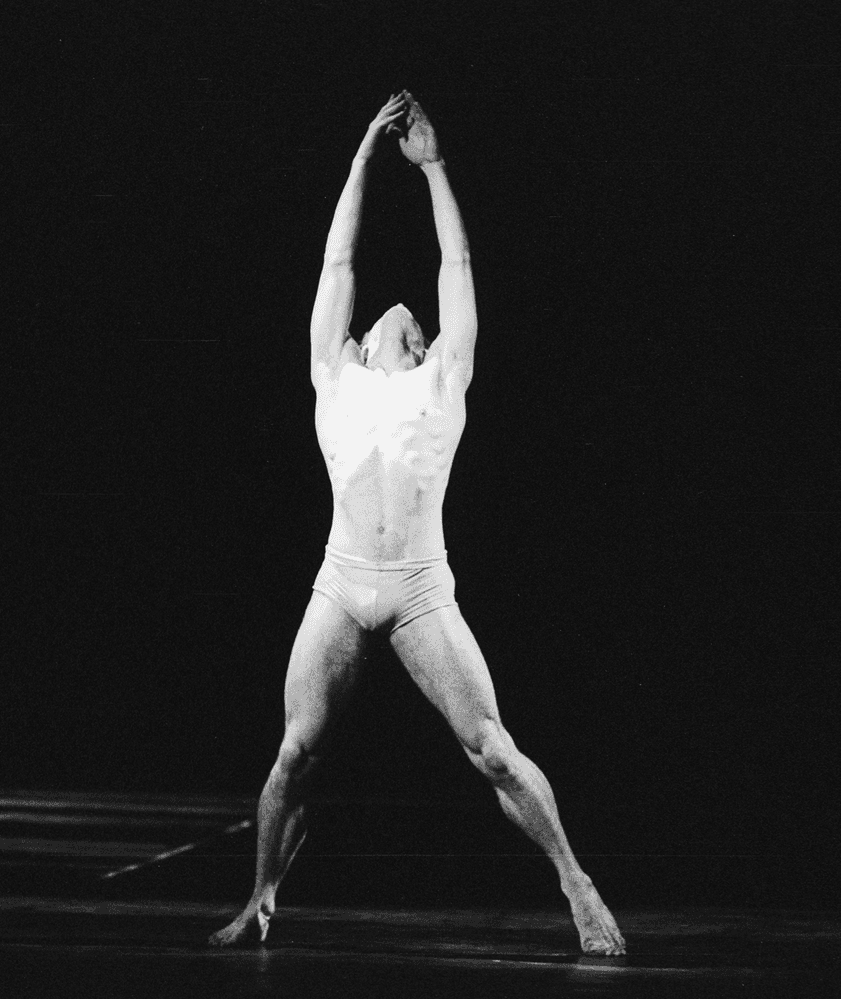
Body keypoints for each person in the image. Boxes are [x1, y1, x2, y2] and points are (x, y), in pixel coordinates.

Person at [209, 92, 626, 956]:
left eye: (421, 321)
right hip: (340, 578)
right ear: (361, 341)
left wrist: (433, 166)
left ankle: (576, 882)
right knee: (293, 755)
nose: (408, 312)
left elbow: (457, 258)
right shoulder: (336, 372)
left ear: (428, 344)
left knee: (492, 749)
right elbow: (336, 260)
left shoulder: (444, 379)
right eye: (385, 316)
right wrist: (362, 156)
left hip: (418, 589)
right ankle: (261, 892)